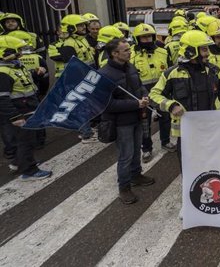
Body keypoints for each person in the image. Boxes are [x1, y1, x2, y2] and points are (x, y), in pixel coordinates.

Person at [150, 30, 220, 170]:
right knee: (189, 168)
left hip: (210, 130)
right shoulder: (172, 74)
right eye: (204, 49)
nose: (208, 53)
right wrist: (171, 105)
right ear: (191, 51)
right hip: (187, 133)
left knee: (212, 166)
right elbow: (154, 95)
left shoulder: (214, 71)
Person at [99, 38, 155, 204]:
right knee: (126, 155)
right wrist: (135, 103)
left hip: (138, 116)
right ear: (115, 54)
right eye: (126, 50)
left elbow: (139, 85)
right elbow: (107, 104)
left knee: (136, 149)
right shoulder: (105, 74)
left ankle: (136, 175)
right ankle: (124, 187)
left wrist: (144, 95)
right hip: (122, 122)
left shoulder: (129, 66)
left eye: (129, 49)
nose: (130, 52)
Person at [0, 35, 52, 180]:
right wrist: (15, 116)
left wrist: (36, 73)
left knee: (24, 140)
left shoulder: (14, 66)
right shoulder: (2, 73)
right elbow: (2, 98)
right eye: (17, 52)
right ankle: (29, 171)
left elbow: (23, 80)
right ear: (4, 53)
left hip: (27, 108)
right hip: (19, 112)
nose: (21, 55)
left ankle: (19, 162)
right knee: (26, 141)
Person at [130, 23, 174, 162]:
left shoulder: (163, 51)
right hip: (142, 93)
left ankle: (165, 141)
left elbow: (170, 71)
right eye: (143, 37)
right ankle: (147, 148)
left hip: (161, 91)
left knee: (165, 117)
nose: (147, 40)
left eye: (149, 36)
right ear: (137, 39)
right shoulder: (131, 55)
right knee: (144, 122)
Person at [55, 14, 97, 143]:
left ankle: (87, 128)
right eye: (80, 25)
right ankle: (86, 134)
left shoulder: (82, 39)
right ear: (71, 28)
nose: (84, 27)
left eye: (84, 25)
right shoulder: (68, 44)